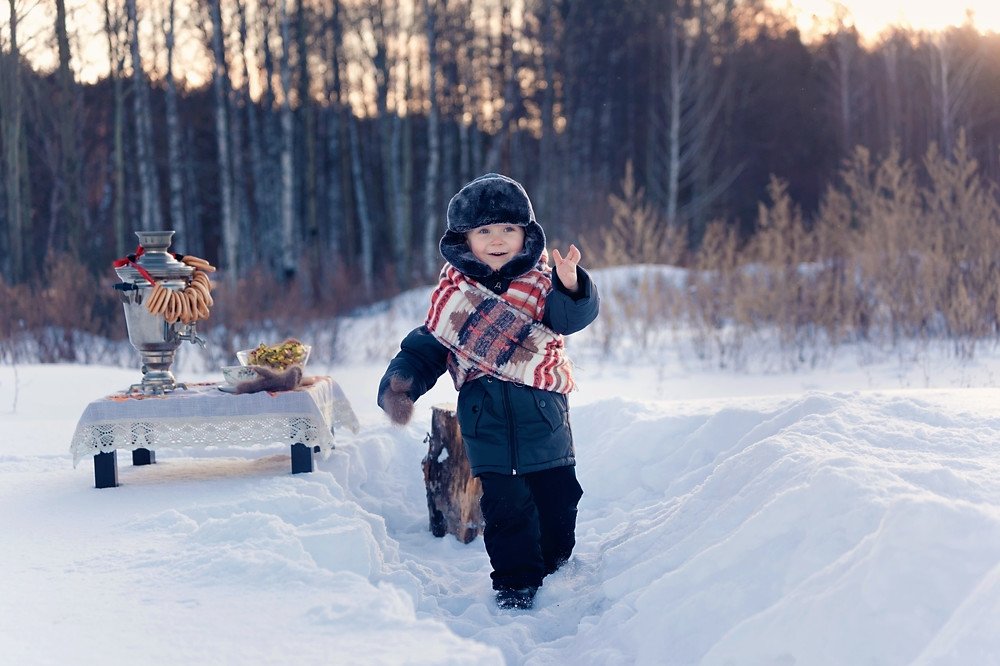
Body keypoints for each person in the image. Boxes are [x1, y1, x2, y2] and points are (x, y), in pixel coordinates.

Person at [377, 173, 600, 610]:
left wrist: (572, 286)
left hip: (544, 420)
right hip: (488, 428)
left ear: (525, 235)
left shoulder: (542, 286)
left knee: (559, 501)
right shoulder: (452, 296)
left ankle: (555, 565)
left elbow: (570, 317)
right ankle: (515, 583)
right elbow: (425, 349)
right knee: (506, 511)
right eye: (485, 231)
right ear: (466, 239)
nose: (497, 240)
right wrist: (401, 385)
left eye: (508, 229)